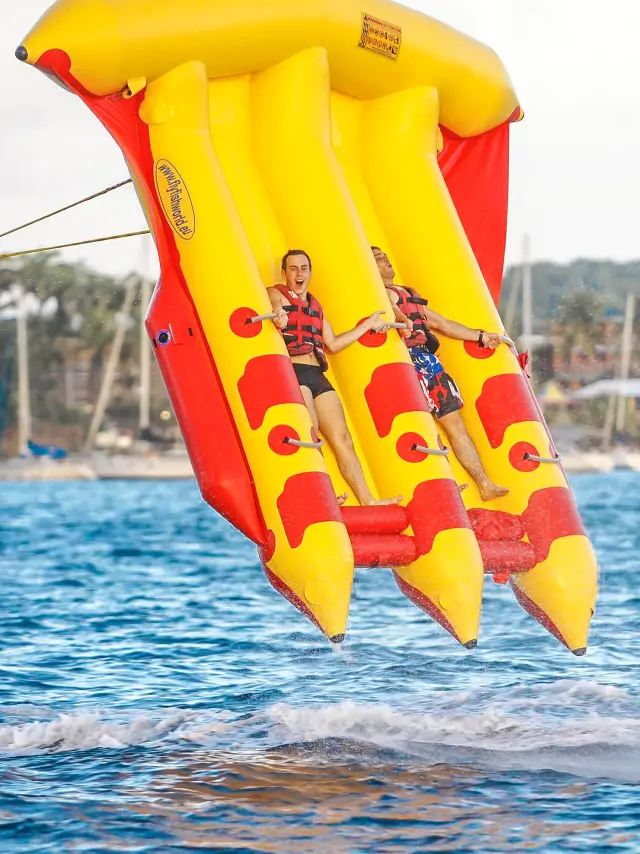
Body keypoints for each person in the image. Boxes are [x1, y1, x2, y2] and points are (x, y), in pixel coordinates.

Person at [372, 246, 509, 502]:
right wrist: (402, 318)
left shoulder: (406, 294)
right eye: (377, 259)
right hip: (410, 363)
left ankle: (484, 483)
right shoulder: (382, 295)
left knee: (455, 426)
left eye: (385, 256)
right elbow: (395, 312)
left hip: (429, 362)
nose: (385, 260)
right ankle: (442, 480)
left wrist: (480, 336)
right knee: (420, 423)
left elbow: (443, 324)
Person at [268, 250, 401, 507]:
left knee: (343, 440)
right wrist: (279, 315)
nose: (298, 274)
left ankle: (367, 499)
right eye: (293, 269)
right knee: (311, 435)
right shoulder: (276, 293)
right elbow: (276, 307)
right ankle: (323, 496)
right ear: (284, 273)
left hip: (317, 374)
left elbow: (333, 343)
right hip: (294, 373)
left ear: (310, 272)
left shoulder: (315, 307)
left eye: (303, 268)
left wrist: (367, 326)